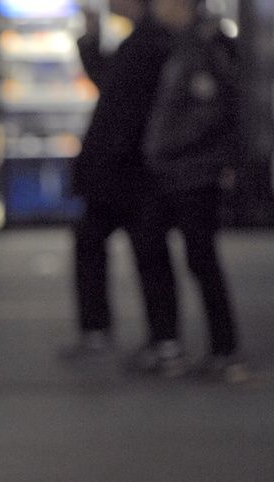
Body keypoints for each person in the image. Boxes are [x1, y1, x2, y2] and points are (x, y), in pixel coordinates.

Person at [141, 0, 247, 381]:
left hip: (193, 172)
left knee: (201, 259)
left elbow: (212, 109)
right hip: (176, 170)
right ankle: (171, 343)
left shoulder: (203, 46)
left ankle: (225, 350)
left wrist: (166, 145)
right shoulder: (178, 44)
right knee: (159, 252)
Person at [66, 0, 175, 361]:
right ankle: (152, 336)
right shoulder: (143, 41)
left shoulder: (152, 43)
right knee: (105, 244)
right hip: (123, 169)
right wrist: (91, 41)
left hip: (129, 169)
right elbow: (112, 85)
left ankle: (161, 339)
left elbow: (122, 100)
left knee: (147, 252)